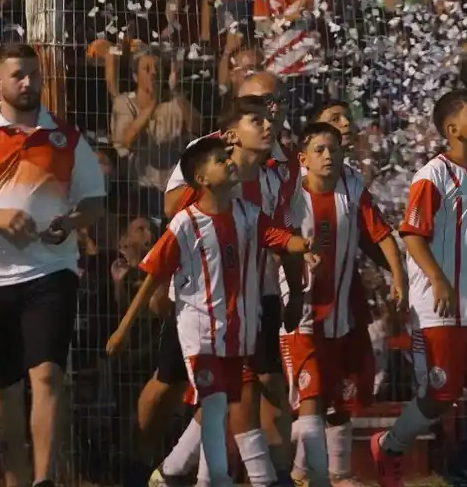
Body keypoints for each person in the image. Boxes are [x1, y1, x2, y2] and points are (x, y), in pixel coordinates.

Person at [0, 42, 108, 487]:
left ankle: (44, 480)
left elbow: (94, 200)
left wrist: (71, 222)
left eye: (34, 73)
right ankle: (15, 479)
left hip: (50, 272)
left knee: (47, 376)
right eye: (18, 75)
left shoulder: (65, 136)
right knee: (4, 390)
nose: (29, 83)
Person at [105, 136, 314, 487]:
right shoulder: (185, 224)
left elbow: (279, 237)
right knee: (227, 406)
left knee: (222, 410)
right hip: (200, 339)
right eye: (220, 159)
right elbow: (153, 277)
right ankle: (257, 480)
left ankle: (173, 474)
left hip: (237, 335)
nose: (229, 162)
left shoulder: (248, 214)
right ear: (201, 179)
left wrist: (304, 244)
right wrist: (123, 329)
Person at [369, 88, 467, 487]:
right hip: (439, 303)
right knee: (441, 393)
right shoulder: (432, 175)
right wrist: (438, 278)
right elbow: (412, 234)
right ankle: (389, 445)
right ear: (452, 129)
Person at [149, 97, 300, 487]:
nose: (269, 123)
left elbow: (285, 234)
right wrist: (160, 292)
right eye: (257, 118)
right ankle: (151, 465)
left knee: (248, 390)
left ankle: (253, 476)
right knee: (173, 385)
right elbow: (172, 215)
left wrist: (296, 289)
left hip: (254, 300)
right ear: (232, 132)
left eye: (273, 114)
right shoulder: (206, 159)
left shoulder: (277, 174)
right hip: (199, 303)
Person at [280, 123, 406, 485]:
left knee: (341, 396)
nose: (328, 156)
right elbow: (270, 240)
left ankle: (331, 474)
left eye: (334, 149)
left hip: (344, 312)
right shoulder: (287, 194)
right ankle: (317, 475)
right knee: (311, 396)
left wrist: (399, 278)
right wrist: (298, 257)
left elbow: (381, 234)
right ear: (303, 158)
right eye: (319, 150)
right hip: (301, 313)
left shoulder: (351, 185)